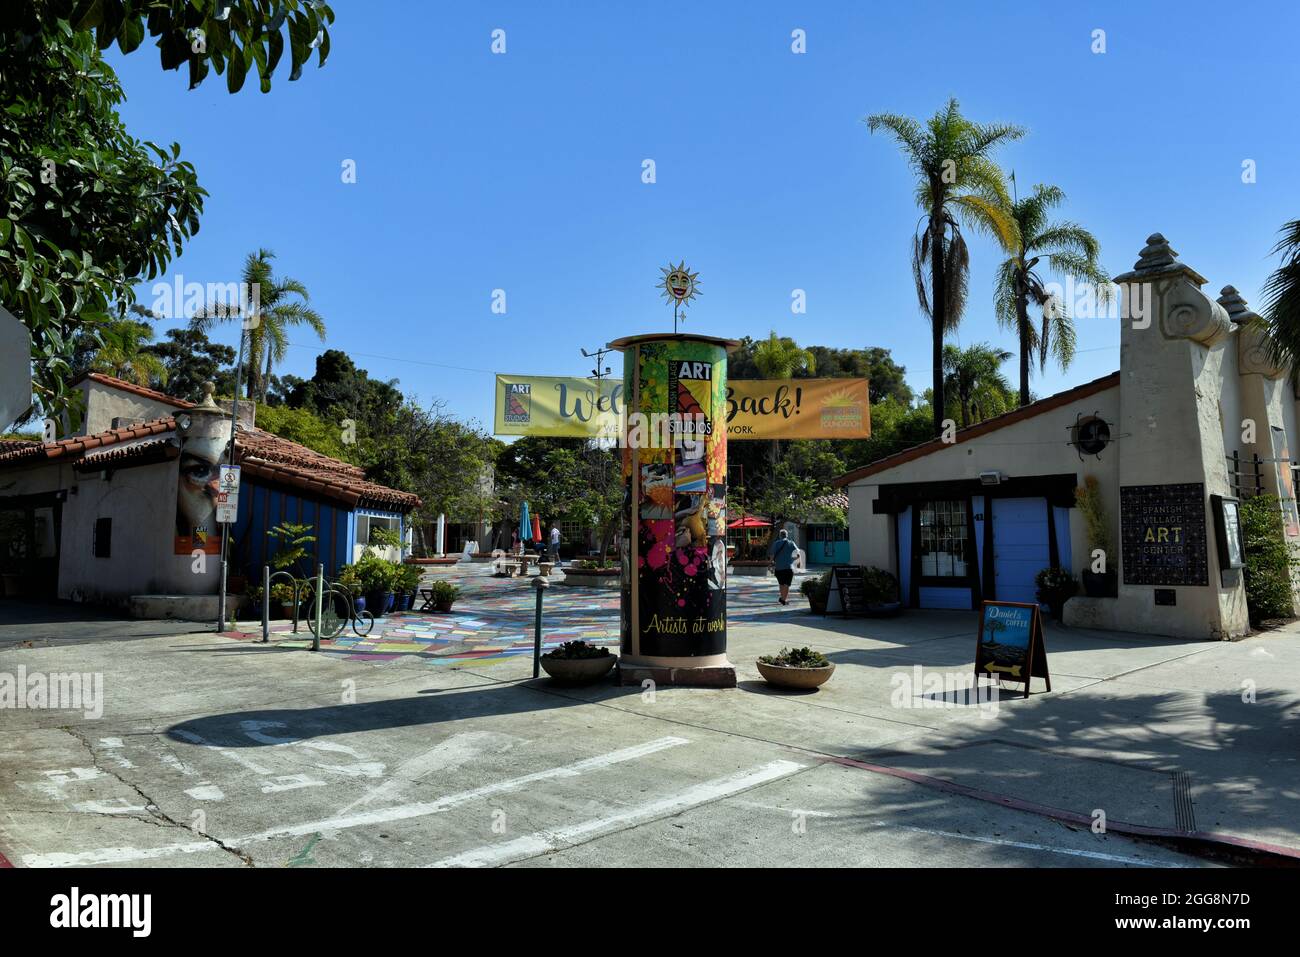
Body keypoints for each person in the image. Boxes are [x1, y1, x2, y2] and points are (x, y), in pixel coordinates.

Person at [769, 528, 798, 605]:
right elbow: (797, 554)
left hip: (779, 568)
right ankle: (783, 599)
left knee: (781, 583)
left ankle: (782, 598)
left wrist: (770, 563)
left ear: (780, 535)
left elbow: (772, 555)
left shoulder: (776, 543)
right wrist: (792, 559)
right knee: (787, 584)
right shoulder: (791, 543)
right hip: (789, 567)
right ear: (787, 535)